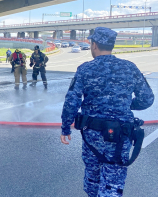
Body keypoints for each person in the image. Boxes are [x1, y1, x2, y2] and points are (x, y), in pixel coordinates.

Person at [60, 27, 154, 197]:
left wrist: (65, 128)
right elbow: (147, 98)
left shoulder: (85, 69)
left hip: (92, 136)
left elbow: (71, 102)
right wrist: (126, 105)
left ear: (94, 45)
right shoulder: (129, 68)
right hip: (120, 135)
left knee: (92, 177)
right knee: (113, 182)